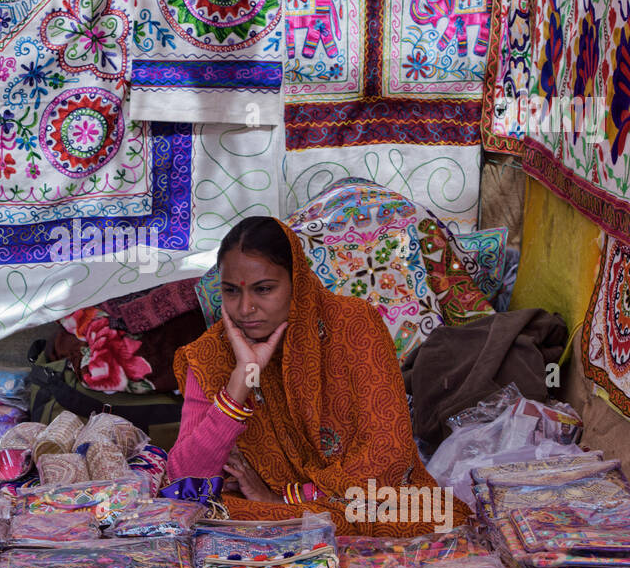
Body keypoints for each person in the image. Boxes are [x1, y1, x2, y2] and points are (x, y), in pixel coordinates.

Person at [169, 216, 470, 535]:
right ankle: (296, 526)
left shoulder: (354, 324)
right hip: (260, 509)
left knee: (435, 513)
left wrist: (285, 500)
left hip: (362, 501)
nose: (245, 308)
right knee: (202, 513)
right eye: (231, 292)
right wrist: (240, 382)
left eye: (264, 289)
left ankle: (291, 525)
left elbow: (388, 456)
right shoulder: (209, 355)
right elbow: (184, 480)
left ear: (296, 280)